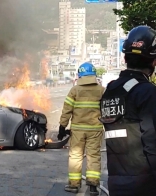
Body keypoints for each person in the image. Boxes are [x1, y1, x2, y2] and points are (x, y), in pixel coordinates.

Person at [99, 25, 156, 196]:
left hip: (116, 182)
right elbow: (152, 141)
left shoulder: (111, 90)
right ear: (153, 61)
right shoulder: (147, 92)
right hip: (144, 183)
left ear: (125, 57)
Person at [58, 62, 105, 195]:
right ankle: (93, 186)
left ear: (80, 75)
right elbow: (106, 110)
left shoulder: (75, 90)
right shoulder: (101, 90)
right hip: (95, 129)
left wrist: (62, 126)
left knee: (75, 156)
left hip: (77, 130)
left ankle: (74, 185)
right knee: (94, 156)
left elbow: (67, 110)